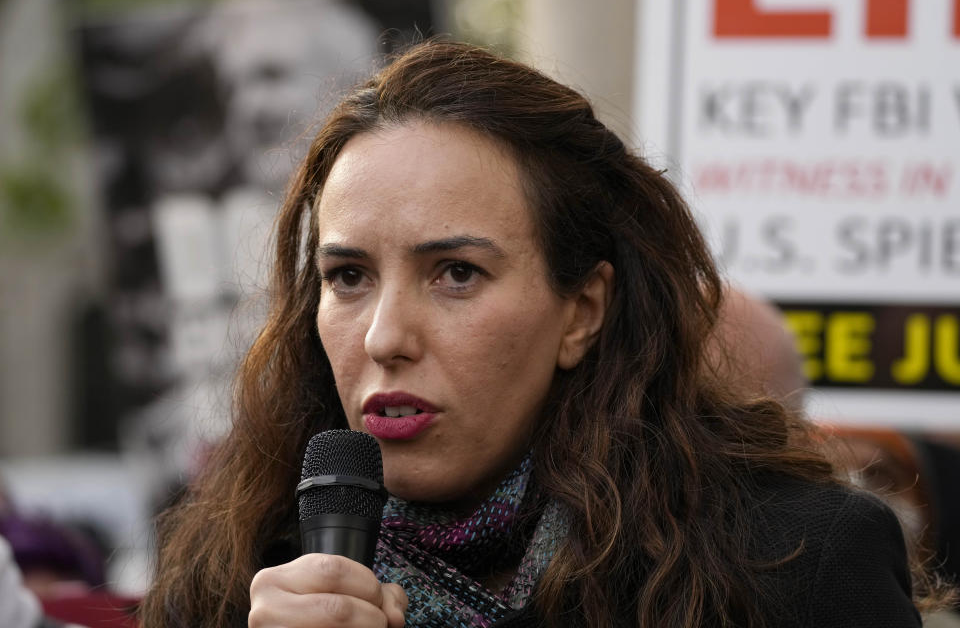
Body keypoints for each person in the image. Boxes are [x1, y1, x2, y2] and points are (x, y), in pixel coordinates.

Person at [141, 40, 946, 627]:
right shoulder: (232, 573)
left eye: (456, 272)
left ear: (583, 311)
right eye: (347, 277)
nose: (385, 336)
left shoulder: (793, 564)